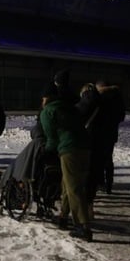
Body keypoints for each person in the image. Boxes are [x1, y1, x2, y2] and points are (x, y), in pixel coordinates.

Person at [39, 81, 93, 242]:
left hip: (70, 150)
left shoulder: (48, 111)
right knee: (69, 183)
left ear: (46, 98)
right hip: (86, 147)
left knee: (74, 187)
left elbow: (51, 138)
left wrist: (47, 151)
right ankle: (63, 216)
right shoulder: (69, 107)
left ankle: (83, 226)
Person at [94, 79, 127, 194]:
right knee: (108, 159)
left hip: (98, 133)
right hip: (111, 132)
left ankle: (100, 183)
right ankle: (109, 184)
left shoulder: (99, 97)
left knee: (98, 159)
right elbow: (122, 116)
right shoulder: (117, 97)